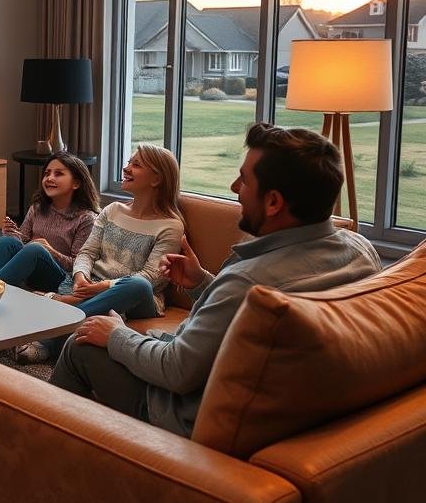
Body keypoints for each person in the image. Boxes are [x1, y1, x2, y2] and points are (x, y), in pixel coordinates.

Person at [50, 123, 383, 438]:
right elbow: (250, 313)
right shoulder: (359, 250)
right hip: (297, 413)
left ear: (273, 202)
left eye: (244, 181)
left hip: (183, 415)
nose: (234, 189)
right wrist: (202, 283)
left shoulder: (246, 280)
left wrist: (117, 336)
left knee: (81, 344)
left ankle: (41, 443)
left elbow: (176, 371)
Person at [16, 144, 183, 364]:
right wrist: (81, 277)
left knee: (138, 284)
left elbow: (150, 277)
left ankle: (50, 333)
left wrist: (103, 287)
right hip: (91, 286)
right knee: (28, 247)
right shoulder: (112, 210)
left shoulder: (171, 226)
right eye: (128, 162)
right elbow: (87, 252)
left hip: (136, 298)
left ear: (156, 179)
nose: (126, 168)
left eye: (136, 164)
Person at [0, 151, 99, 300]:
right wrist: (12, 233)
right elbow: (23, 242)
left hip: (62, 279)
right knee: (8, 242)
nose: (49, 178)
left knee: (36, 249)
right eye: (47, 173)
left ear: (76, 183)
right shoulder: (37, 208)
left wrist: (49, 250)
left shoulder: (87, 219)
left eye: (58, 174)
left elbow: (78, 265)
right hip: (32, 270)